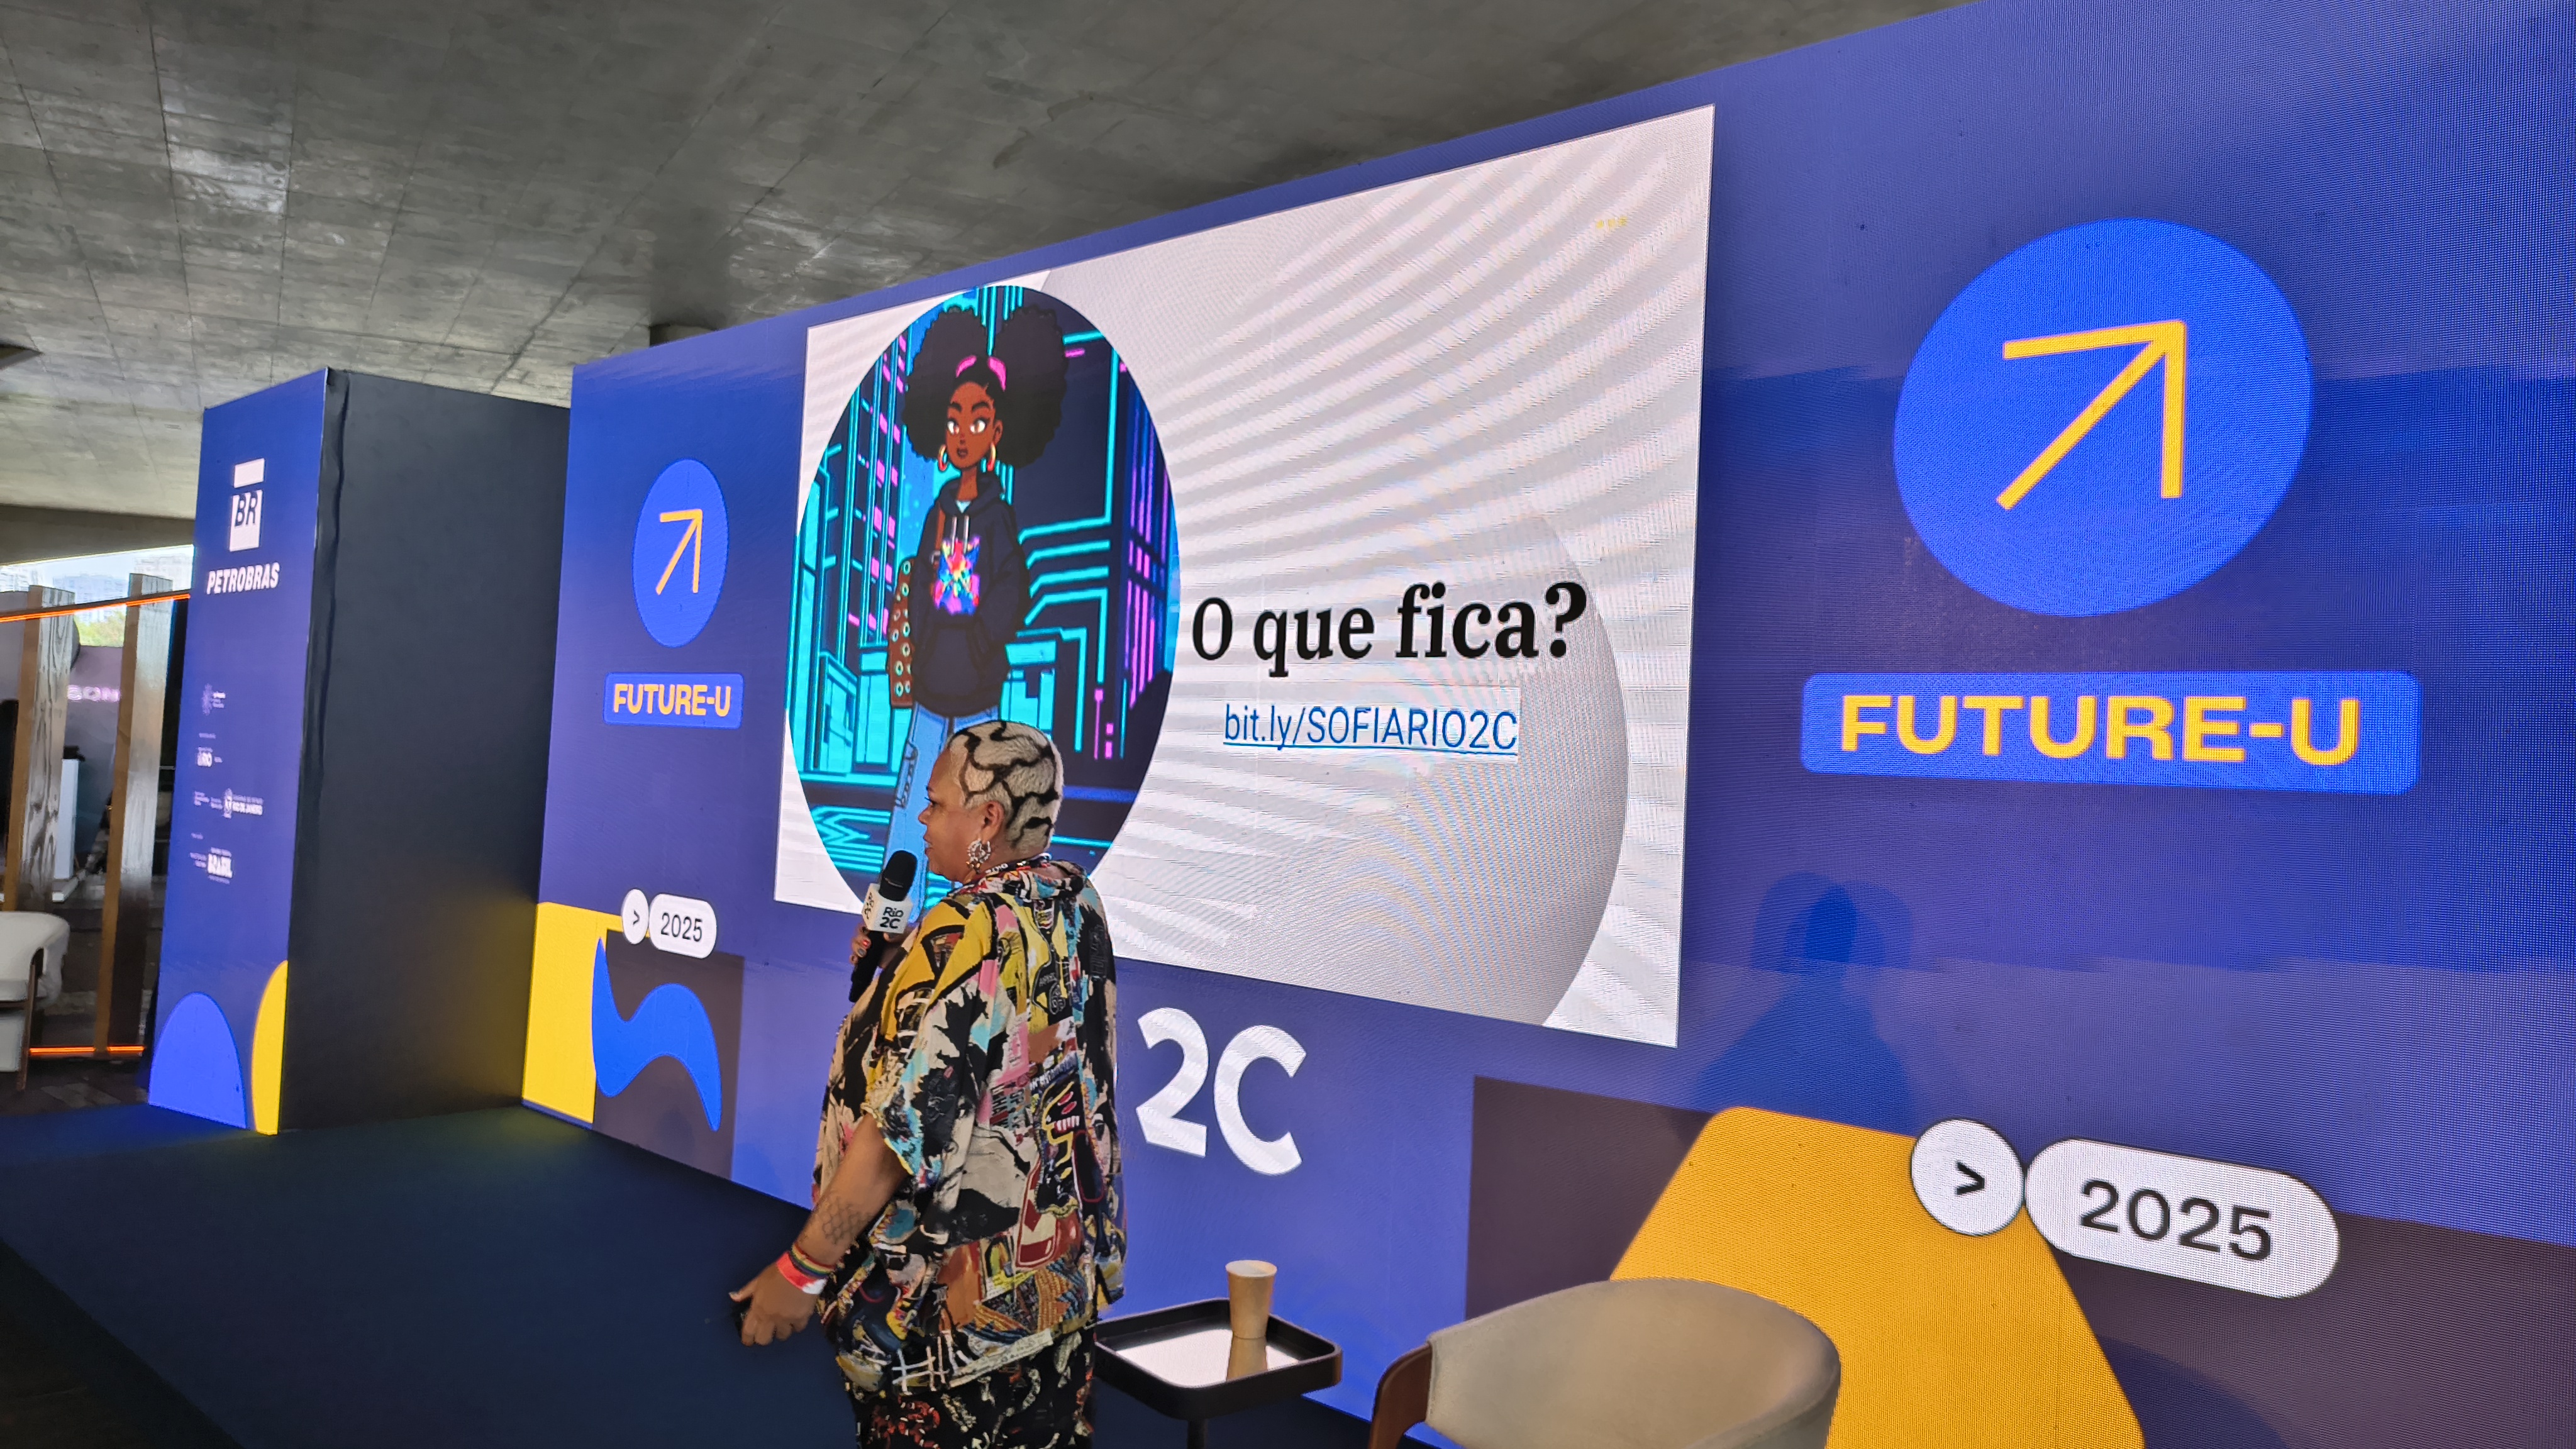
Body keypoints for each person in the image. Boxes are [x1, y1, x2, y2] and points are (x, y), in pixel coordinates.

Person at [735, 720, 1123, 1449]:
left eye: (937, 802)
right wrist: (896, 971)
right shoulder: (1077, 898)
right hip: (1055, 1291)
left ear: (988, 819)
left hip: (953, 1328)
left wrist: (804, 1267)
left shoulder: (959, 931)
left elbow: (903, 1133)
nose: (922, 817)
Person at [881, 304, 1067, 913]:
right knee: (916, 803)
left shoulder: (996, 513)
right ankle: (899, 916)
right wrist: (925, 639)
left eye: (978, 419)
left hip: (978, 691)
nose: (963, 432)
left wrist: (981, 642)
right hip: (931, 687)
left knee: (983, 818)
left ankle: (970, 918)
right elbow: (920, 582)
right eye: (955, 419)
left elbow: (1013, 586)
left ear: (997, 432)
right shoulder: (938, 510)